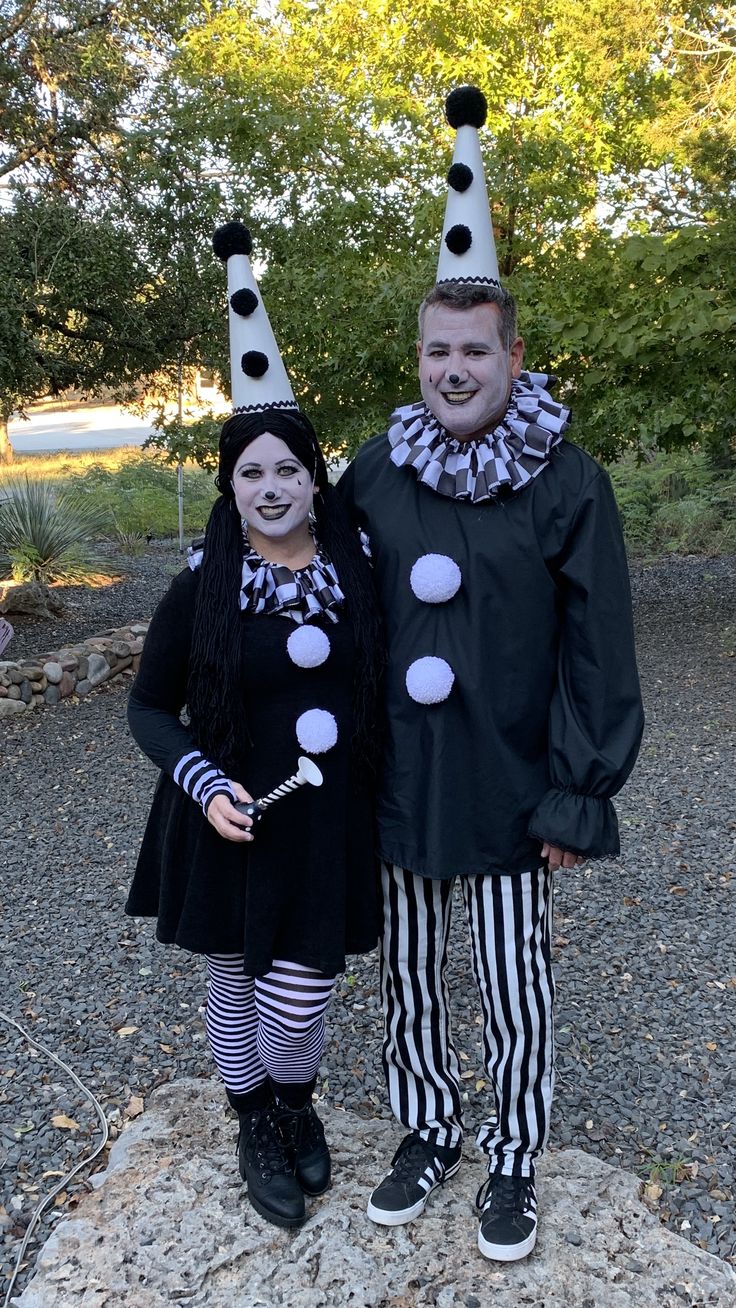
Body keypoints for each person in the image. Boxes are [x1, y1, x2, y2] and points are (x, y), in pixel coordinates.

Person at [338, 87, 644, 1262]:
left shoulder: (565, 481)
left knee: (514, 982)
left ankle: (513, 1151)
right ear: (416, 357)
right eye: (436, 351)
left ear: (513, 355)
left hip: (518, 784)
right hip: (400, 780)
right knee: (411, 972)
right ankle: (427, 1127)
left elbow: (598, 651)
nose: (454, 369)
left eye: (476, 350)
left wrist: (579, 790)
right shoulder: (374, 471)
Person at [125, 222, 382, 1230]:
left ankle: (291, 1092)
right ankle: (257, 1119)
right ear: (229, 489)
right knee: (234, 972)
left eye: (288, 469)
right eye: (249, 473)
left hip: (326, 822)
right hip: (227, 810)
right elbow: (148, 706)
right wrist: (204, 784)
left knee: (302, 993)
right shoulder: (204, 589)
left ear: (315, 475)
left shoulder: (358, 569)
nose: (271, 486)